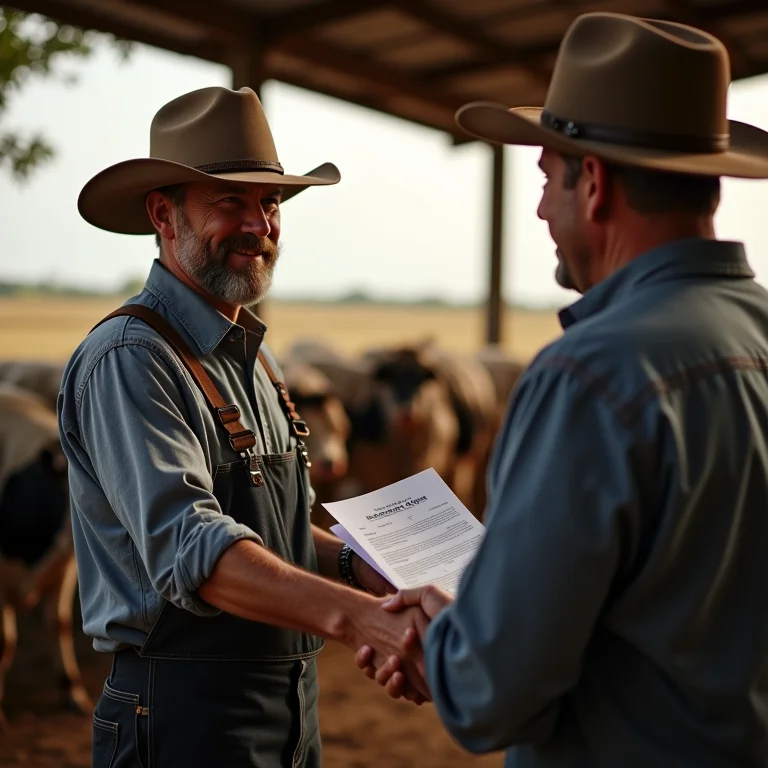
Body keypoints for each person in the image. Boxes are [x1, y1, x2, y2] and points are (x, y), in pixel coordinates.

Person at [357, 12, 768, 768]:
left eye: (548, 179)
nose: (544, 210)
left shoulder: (591, 375)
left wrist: (441, 635)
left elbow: (492, 694)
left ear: (597, 181)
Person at [57, 85, 429, 768]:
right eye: (230, 201)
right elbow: (192, 546)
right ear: (163, 216)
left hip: (287, 704)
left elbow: (271, 534)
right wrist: (360, 618)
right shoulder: (131, 360)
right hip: (178, 713)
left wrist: (359, 565)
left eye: (272, 202)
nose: (259, 223)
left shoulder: (255, 360)